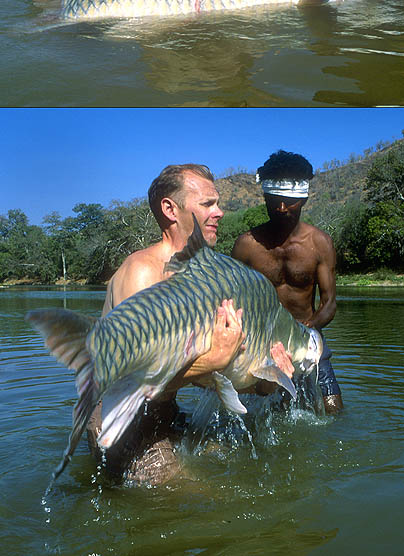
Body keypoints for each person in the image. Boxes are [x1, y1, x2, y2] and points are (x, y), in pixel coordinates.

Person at [91, 163, 291, 484]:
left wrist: (265, 376)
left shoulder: (201, 278)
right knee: (211, 504)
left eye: (218, 203)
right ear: (171, 209)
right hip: (122, 420)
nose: (220, 212)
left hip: (164, 414)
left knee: (236, 461)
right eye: (208, 204)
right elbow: (135, 380)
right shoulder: (142, 272)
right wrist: (216, 359)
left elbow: (202, 371)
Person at [231, 150, 344, 414]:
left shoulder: (320, 244)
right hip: (263, 344)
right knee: (260, 417)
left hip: (306, 340)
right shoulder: (247, 245)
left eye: (289, 202)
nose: (281, 209)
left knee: (333, 411)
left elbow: (329, 303)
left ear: (303, 198)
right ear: (265, 197)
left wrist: (306, 327)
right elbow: (230, 300)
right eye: (274, 201)